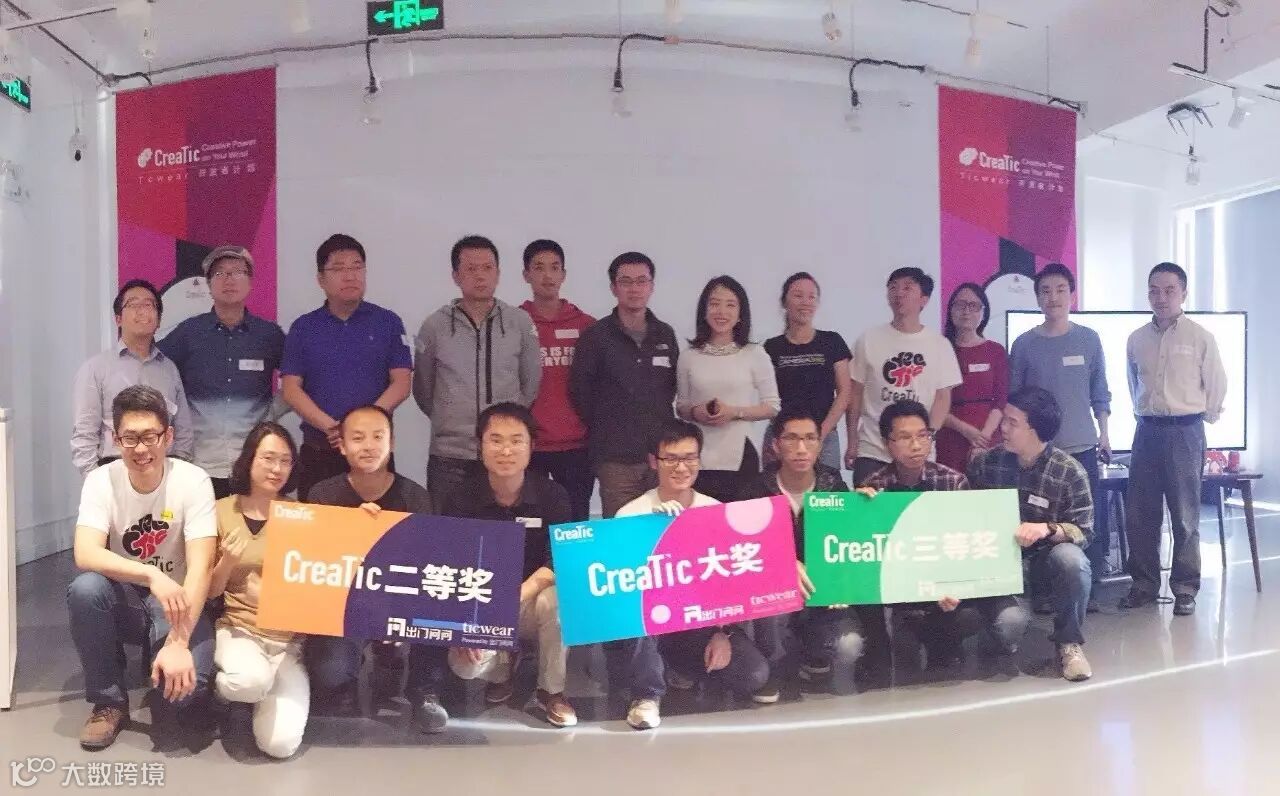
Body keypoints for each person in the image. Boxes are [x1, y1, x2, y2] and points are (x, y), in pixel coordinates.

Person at [66, 385, 217, 750]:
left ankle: (161, 654)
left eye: (150, 436)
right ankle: (109, 702)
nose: (141, 449)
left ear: (168, 437)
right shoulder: (102, 480)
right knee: (86, 590)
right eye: (130, 438)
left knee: (184, 695)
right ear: (115, 439)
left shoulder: (193, 481)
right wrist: (151, 574)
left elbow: (202, 567)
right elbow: (85, 552)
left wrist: (179, 642)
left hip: (178, 601)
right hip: (127, 597)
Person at [304, 405, 449, 734]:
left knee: (438, 607)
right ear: (342, 446)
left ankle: (423, 689)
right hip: (344, 604)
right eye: (358, 438)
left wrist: (395, 614)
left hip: (400, 602)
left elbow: (426, 566)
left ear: (392, 443)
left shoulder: (415, 497)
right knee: (329, 673)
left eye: (377, 437)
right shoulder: (322, 495)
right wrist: (355, 534)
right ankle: (349, 675)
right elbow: (315, 566)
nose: (368, 446)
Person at [616, 420, 770, 724]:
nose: (681, 467)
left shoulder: (715, 511)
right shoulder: (631, 514)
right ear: (653, 461)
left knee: (753, 673)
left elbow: (729, 585)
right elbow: (621, 588)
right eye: (671, 459)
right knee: (637, 618)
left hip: (697, 626)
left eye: (689, 458)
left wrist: (722, 633)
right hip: (650, 625)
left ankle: (680, 668)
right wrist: (651, 531)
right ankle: (646, 695)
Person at [863, 400, 1027, 669]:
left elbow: (967, 544)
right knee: (905, 656)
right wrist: (860, 510)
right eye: (904, 438)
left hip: (949, 590)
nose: (916, 445)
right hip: (905, 592)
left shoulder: (953, 482)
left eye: (922, 436)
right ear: (886, 444)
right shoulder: (875, 487)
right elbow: (869, 556)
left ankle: (946, 644)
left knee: (965, 619)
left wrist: (955, 587)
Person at [441, 402, 577, 728]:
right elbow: (451, 564)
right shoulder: (460, 498)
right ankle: (503, 668)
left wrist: (518, 594)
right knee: (464, 664)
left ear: (532, 446)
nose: (506, 450)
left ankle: (551, 691)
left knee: (559, 602)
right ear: (480, 446)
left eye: (516, 440)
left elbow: (558, 559)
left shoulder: (552, 495)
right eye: (496, 440)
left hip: (531, 600)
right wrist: (464, 623)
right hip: (481, 602)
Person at [1119, 262, 1227, 617]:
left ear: (1183, 293)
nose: (1161, 297)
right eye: (1154, 290)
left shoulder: (1200, 337)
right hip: (1146, 431)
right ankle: (1144, 584)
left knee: (1185, 516)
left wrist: (1203, 418)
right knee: (1141, 514)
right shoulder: (1136, 339)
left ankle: (1184, 588)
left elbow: (1217, 384)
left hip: (1186, 432)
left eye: (1169, 290)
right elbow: (1133, 384)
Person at [968, 387, 1094, 682]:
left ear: (1036, 428)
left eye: (1012, 422)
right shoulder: (987, 464)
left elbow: (1085, 531)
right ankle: (999, 629)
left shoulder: (1069, 471)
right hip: (1001, 562)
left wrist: (1049, 529)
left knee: (1072, 561)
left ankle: (1069, 643)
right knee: (1008, 628)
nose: (1003, 428)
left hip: (1045, 561)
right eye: (1004, 420)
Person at [1009, 263, 1112, 611]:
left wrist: (1104, 433)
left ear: (1072, 295)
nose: (1053, 297)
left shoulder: (1089, 339)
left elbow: (1100, 391)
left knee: (1087, 523)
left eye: (1060, 290)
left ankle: (1088, 591)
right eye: (1045, 291)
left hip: (1082, 446)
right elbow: (1015, 397)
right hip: (1039, 453)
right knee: (1038, 523)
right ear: (1037, 298)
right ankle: (1043, 593)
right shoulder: (1024, 344)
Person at [413, 235, 542, 509]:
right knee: (448, 530)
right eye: (471, 269)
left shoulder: (519, 322)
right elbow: (423, 389)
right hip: (450, 455)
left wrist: (507, 425)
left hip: (504, 454)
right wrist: (448, 418)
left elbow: (530, 383)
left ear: (498, 273)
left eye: (487, 268)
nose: (480, 276)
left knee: (505, 530)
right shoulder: (434, 326)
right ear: (455, 276)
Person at [280, 234, 412, 500]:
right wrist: (332, 428)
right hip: (320, 449)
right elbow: (291, 389)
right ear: (321, 279)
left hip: (374, 454)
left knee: (379, 524)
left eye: (357, 267)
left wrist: (361, 426)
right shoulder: (304, 327)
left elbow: (402, 383)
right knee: (318, 525)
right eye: (339, 269)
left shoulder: (387, 322)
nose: (350, 276)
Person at [208, 422, 307, 758]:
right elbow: (210, 591)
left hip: (288, 644)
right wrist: (227, 561)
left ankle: (255, 693)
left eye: (285, 461)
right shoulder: (221, 511)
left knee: (280, 746)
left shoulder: (302, 516)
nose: (277, 468)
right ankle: (225, 692)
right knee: (248, 682)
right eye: (268, 458)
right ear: (249, 459)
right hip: (240, 630)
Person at [159, 246, 286, 499]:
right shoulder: (189, 333)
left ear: (250, 283)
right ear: (208, 285)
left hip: (254, 461)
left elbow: (299, 379)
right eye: (219, 274)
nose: (228, 280)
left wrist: (272, 413)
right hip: (199, 463)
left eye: (237, 272)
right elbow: (155, 370)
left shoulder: (269, 335)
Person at [739, 407, 850, 695]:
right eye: (791, 439)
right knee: (771, 616)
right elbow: (745, 551)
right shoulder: (755, 490)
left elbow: (849, 543)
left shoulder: (834, 486)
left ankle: (815, 658)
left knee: (848, 644)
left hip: (821, 588)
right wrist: (784, 563)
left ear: (820, 444)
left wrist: (865, 506)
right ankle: (775, 667)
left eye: (810, 438)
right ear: (776, 445)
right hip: (775, 589)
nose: (802, 448)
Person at [569, 252, 680, 519]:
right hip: (614, 459)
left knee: (665, 529)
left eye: (641, 281)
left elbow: (671, 387)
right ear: (613, 288)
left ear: (651, 286)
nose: (634, 288)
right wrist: (610, 426)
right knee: (621, 531)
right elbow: (580, 392)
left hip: (661, 455)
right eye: (626, 281)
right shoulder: (596, 336)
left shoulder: (665, 333)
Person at [844, 267, 962, 486]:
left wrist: (928, 437)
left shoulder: (939, 344)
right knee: (870, 507)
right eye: (893, 287)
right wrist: (852, 441)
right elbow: (855, 394)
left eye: (907, 288)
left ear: (924, 299)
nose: (899, 293)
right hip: (873, 450)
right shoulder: (868, 339)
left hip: (918, 453)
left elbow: (942, 397)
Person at [72, 280, 194, 475]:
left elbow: (183, 430)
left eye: (149, 305)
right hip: (114, 469)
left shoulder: (169, 369)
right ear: (118, 319)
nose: (142, 310)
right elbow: (84, 434)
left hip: (164, 471)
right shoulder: (95, 369)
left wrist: (178, 474)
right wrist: (95, 481)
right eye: (133, 304)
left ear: (158, 321)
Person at [675, 275, 780, 502]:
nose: (721, 311)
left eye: (730, 305)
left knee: (740, 518)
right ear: (704, 310)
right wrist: (696, 412)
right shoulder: (689, 356)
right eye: (714, 304)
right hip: (697, 454)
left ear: (741, 313)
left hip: (740, 453)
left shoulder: (754, 354)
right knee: (701, 518)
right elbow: (681, 406)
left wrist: (734, 412)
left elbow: (772, 406)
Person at [519, 239, 596, 520]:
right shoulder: (514, 323)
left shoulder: (586, 326)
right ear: (526, 275)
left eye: (554, 268)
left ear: (564, 274)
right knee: (531, 525)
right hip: (529, 445)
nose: (547, 276)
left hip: (577, 446)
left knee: (575, 525)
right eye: (539, 268)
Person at [763, 272, 853, 472]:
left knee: (826, 490)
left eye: (811, 297)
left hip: (825, 437)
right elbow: (768, 398)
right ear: (784, 302)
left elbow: (845, 393)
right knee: (777, 490)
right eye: (798, 296)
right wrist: (784, 437)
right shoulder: (771, 347)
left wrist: (820, 434)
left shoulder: (832, 341)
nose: (805, 302)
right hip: (782, 439)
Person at [936, 283, 1007, 474]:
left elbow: (1001, 401)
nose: (966, 311)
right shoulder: (939, 349)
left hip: (989, 439)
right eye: (960, 305)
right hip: (950, 438)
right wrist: (967, 431)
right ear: (950, 310)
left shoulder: (996, 351)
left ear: (984, 312)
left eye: (973, 305)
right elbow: (934, 402)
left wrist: (983, 437)